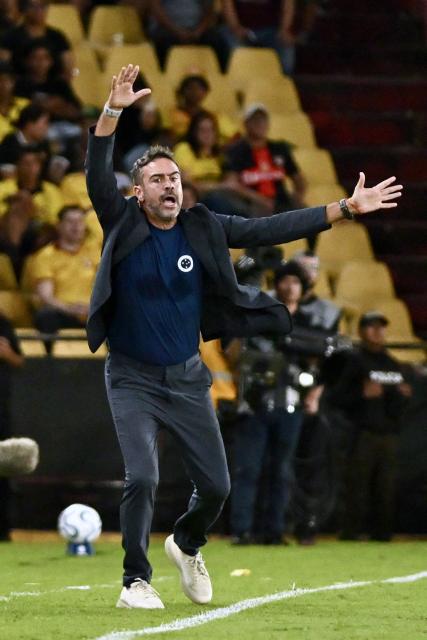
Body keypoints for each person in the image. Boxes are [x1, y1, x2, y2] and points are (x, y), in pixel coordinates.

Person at [85, 63, 402, 609]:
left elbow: (270, 227)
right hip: (132, 378)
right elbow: (96, 172)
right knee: (142, 477)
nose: (169, 186)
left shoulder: (202, 225)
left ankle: (186, 543)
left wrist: (345, 209)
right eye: (158, 179)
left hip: (186, 378)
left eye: (175, 178)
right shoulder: (123, 222)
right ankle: (135, 580)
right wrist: (112, 111)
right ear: (138, 192)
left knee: (218, 487)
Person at [229, 260, 323, 545]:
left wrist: (314, 394)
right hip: (256, 403)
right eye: (285, 280)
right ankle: (243, 529)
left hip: (290, 404)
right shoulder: (260, 315)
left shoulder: (309, 323)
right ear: (277, 283)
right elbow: (238, 352)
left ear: (303, 287)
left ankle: (275, 529)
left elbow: (319, 362)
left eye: (296, 281)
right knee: (249, 468)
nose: (290, 286)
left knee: (282, 470)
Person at [330, 311, 412, 541]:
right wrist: (360, 394)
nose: (377, 332)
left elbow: (397, 404)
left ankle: (383, 533)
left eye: (381, 327)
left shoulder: (392, 363)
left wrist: (403, 396)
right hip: (361, 432)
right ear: (361, 331)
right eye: (371, 327)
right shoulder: (353, 361)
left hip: (387, 433)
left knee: (386, 487)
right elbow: (336, 398)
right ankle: (351, 532)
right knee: (357, 485)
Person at [31, 204, 99, 351]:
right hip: (63, 312)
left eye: (80, 221)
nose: (76, 226)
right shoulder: (46, 255)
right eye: (70, 221)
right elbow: (46, 297)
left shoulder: (95, 252)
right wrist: (70, 309)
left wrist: (92, 308)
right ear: (59, 226)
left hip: (93, 313)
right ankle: (50, 366)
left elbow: (108, 287)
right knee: (45, 316)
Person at [223, 103, 307, 217]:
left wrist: (297, 197)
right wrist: (258, 199)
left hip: (280, 202)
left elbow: (298, 178)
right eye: (256, 120)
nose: (260, 124)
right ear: (246, 124)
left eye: (263, 120)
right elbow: (231, 184)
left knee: (307, 216)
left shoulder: (280, 148)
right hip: (251, 204)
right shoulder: (236, 151)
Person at [0, 0, 73, 79]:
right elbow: (4, 69)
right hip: (20, 87)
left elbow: (68, 69)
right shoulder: (10, 37)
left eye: (42, 6)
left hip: (51, 87)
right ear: (24, 9)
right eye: (33, 6)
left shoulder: (58, 37)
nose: (38, 10)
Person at [221, 0, 297, 75]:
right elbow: (227, 6)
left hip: (272, 30)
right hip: (239, 27)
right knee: (237, 52)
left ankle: (278, 84)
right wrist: (235, 27)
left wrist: (284, 30)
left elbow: (288, 6)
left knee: (286, 61)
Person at [147, 0, 227, 70]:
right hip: (168, 29)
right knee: (163, 43)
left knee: (217, 41)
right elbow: (156, 8)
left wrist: (198, 31)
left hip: (197, 29)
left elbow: (209, 9)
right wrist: (177, 31)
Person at [0, 312, 24, 541]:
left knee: (3, 468)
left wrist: (7, 354)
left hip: (0, 412)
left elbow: (19, 360)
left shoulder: (3, 322)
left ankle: (3, 529)